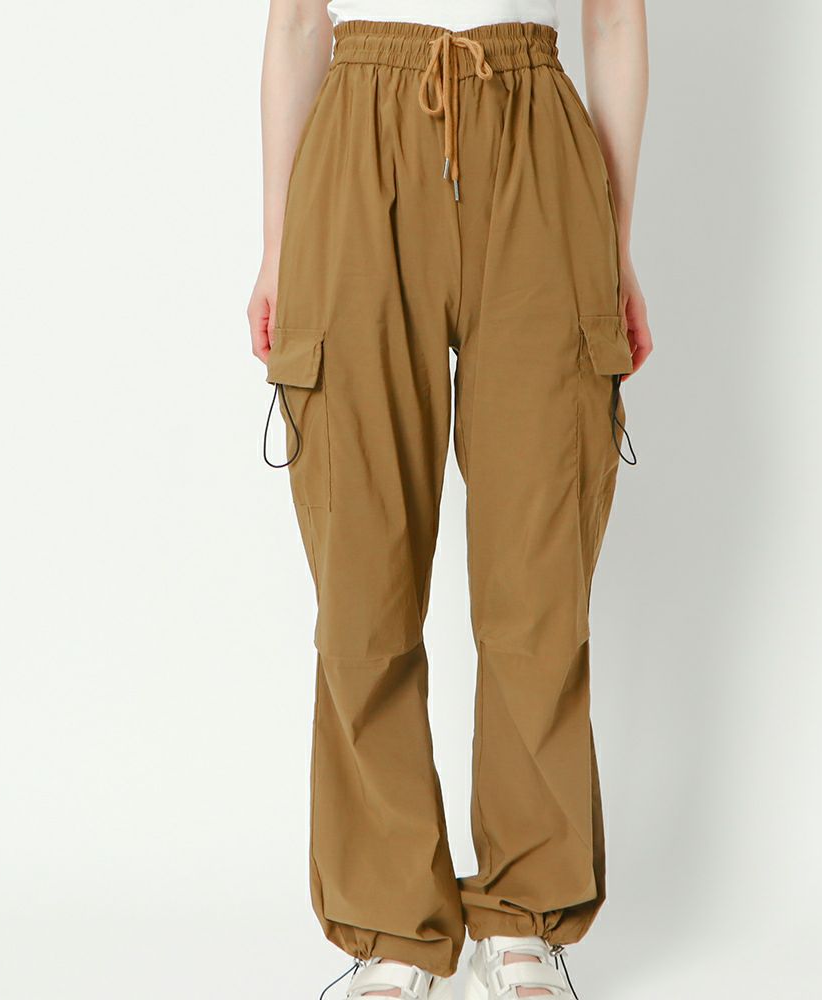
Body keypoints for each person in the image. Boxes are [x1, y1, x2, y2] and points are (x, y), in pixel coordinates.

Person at [247, 2, 651, 996]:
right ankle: (393, 920)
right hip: (357, 135)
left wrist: (617, 243)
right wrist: (276, 245)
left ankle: (525, 911)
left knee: (538, 574)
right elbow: (296, 24)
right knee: (362, 572)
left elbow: (613, 19)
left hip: (536, 137)